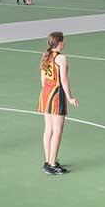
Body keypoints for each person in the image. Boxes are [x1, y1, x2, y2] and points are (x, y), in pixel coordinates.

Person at [39, 32, 78, 175]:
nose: (65, 43)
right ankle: (52, 163)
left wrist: (47, 91)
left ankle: (47, 160)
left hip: (45, 93)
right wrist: (69, 97)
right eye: (63, 41)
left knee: (48, 128)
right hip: (56, 95)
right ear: (59, 42)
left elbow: (43, 79)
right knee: (57, 130)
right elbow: (64, 80)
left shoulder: (46, 56)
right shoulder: (61, 58)